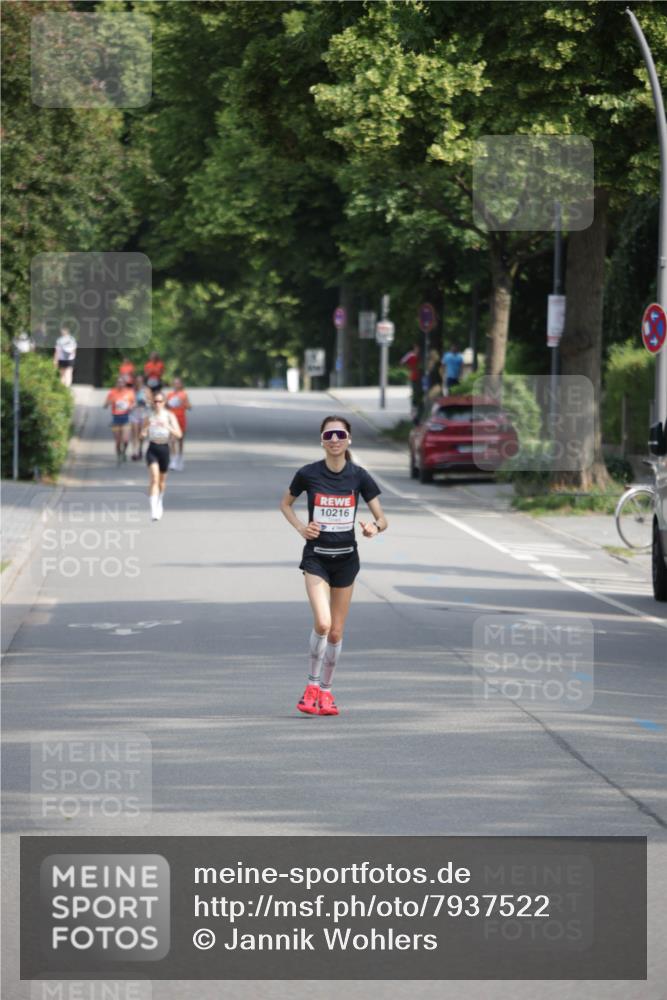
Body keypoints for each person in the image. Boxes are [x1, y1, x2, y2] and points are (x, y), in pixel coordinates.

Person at [280, 415, 388, 717]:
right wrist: (302, 528)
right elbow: (285, 504)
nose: (335, 439)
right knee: (323, 624)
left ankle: (326, 692)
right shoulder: (308, 474)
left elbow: (383, 519)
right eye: (329, 435)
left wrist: (373, 529)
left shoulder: (360, 476)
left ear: (349, 439)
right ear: (322, 440)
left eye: (340, 434)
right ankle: (312, 685)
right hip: (316, 558)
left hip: (346, 561)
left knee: (337, 633)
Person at [141, 390, 182, 521]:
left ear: (164, 403)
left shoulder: (169, 416)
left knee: (162, 481)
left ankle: (160, 500)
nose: (157, 404)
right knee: (154, 478)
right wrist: (144, 431)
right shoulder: (149, 416)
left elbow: (179, 434)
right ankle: (154, 510)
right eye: (155, 401)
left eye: (160, 401)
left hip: (164, 448)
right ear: (153, 403)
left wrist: (168, 426)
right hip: (152, 448)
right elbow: (142, 434)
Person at [104, 376, 136, 464]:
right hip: (116, 419)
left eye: (122, 382)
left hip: (126, 417)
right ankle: (119, 454)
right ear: (116, 383)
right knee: (118, 441)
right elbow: (105, 405)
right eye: (118, 382)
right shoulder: (112, 392)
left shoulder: (130, 392)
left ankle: (124, 452)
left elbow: (134, 403)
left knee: (126, 440)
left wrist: (131, 407)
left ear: (125, 384)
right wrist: (109, 402)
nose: (120, 384)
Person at [166, 377, 192, 470]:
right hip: (172, 420)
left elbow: (190, 407)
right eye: (175, 383)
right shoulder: (169, 395)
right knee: (172, 440)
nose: (176, 385)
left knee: (180, 441)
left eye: (178, 383)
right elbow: (166, 407)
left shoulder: (184, 395)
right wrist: (167, 405)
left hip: (181, 419)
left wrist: (183, 403)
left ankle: (180, 457)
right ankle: (173, 460)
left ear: (181, 385)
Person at [129, 374, 151, 460]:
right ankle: (135, 452)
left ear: (143, 381)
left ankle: (140, 449)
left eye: (140, 380)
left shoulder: (146, 390)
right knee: (134, 433)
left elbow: (151, 402)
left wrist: (146, 401)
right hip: (134, 413)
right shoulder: (132, 390)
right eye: (137, 380)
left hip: (144, 413)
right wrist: (132, 404)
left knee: (141, 434)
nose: (139, 382)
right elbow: (129, 400)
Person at [400, 343, 422, 420]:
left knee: (420, 393)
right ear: (414, 348)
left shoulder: (422, 356)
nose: (418, 350)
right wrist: (409, 367)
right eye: (417, 348)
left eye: (419, 348)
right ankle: (414, 409)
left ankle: (419, 409)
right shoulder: (411, 355)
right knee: (415, 393)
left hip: (422, 377)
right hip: (414, 377)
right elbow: (402, 361)